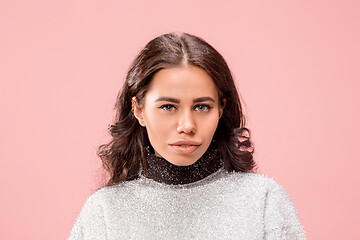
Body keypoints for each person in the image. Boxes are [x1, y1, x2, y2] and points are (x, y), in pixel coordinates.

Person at [68, 33, 306, 239]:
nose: (187, 126)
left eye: (202, 107)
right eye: (168, 107)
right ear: (138, 109)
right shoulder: (105, 211)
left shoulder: (263, 201)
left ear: (221, 108)